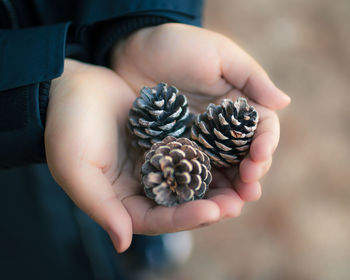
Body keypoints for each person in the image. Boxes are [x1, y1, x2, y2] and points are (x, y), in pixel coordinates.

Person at [0, 0, 290, 279]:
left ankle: (149, 245)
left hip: (83, 36)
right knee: (55, 244)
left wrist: (144, 20)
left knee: (117, 211)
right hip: (17, 168)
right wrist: (38, 93)